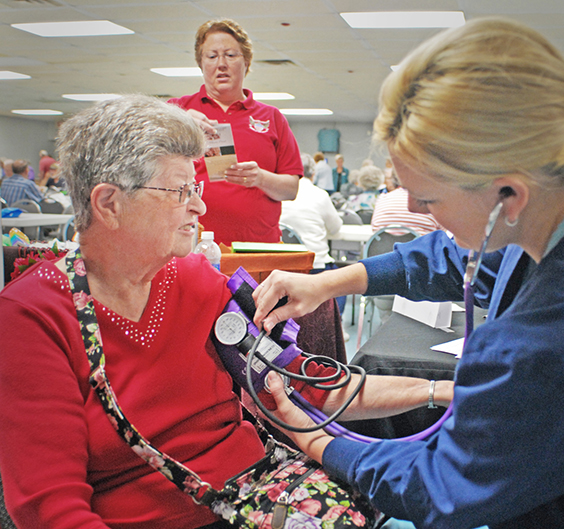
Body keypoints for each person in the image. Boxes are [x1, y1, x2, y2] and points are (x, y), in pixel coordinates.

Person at [0, 94, 453, 529]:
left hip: (256, 493)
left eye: (196, 187)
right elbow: (51, 507)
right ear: (109, 204)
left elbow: (304, 385)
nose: (199, 205)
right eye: (181, 191)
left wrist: (438, 390)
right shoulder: (33, 317)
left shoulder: (200, 281)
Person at [252, 16, 564, 529]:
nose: (414, 206)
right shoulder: (536, 219)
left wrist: (315, 441)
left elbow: (441, 487)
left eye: (429, 198)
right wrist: (330, 281)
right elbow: (450, 258)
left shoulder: (535, 346)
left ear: (508, 196)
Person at [168, 19, 302, 247]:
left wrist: (260, 178)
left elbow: (290, 189)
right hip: (190, 248)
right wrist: (179, 122)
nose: (221, 64)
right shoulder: (176, 111)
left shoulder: (272, 118)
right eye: (212, 56)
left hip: (257, 249)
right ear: (201, 64)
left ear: (246, 61)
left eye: (230, 55)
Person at [280, 153, 346, 313]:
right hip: (315, 267)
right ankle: (337, 325)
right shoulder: (320, 195)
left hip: (284, 267)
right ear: (314, 173)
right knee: (343, 281)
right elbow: (336, 228)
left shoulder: (280, 194)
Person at [371, 171, 442, 236]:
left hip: (384, 248)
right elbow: (442, 234)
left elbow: (374, 227)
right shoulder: (431, 202)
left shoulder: (382, 198)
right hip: (421, 248)